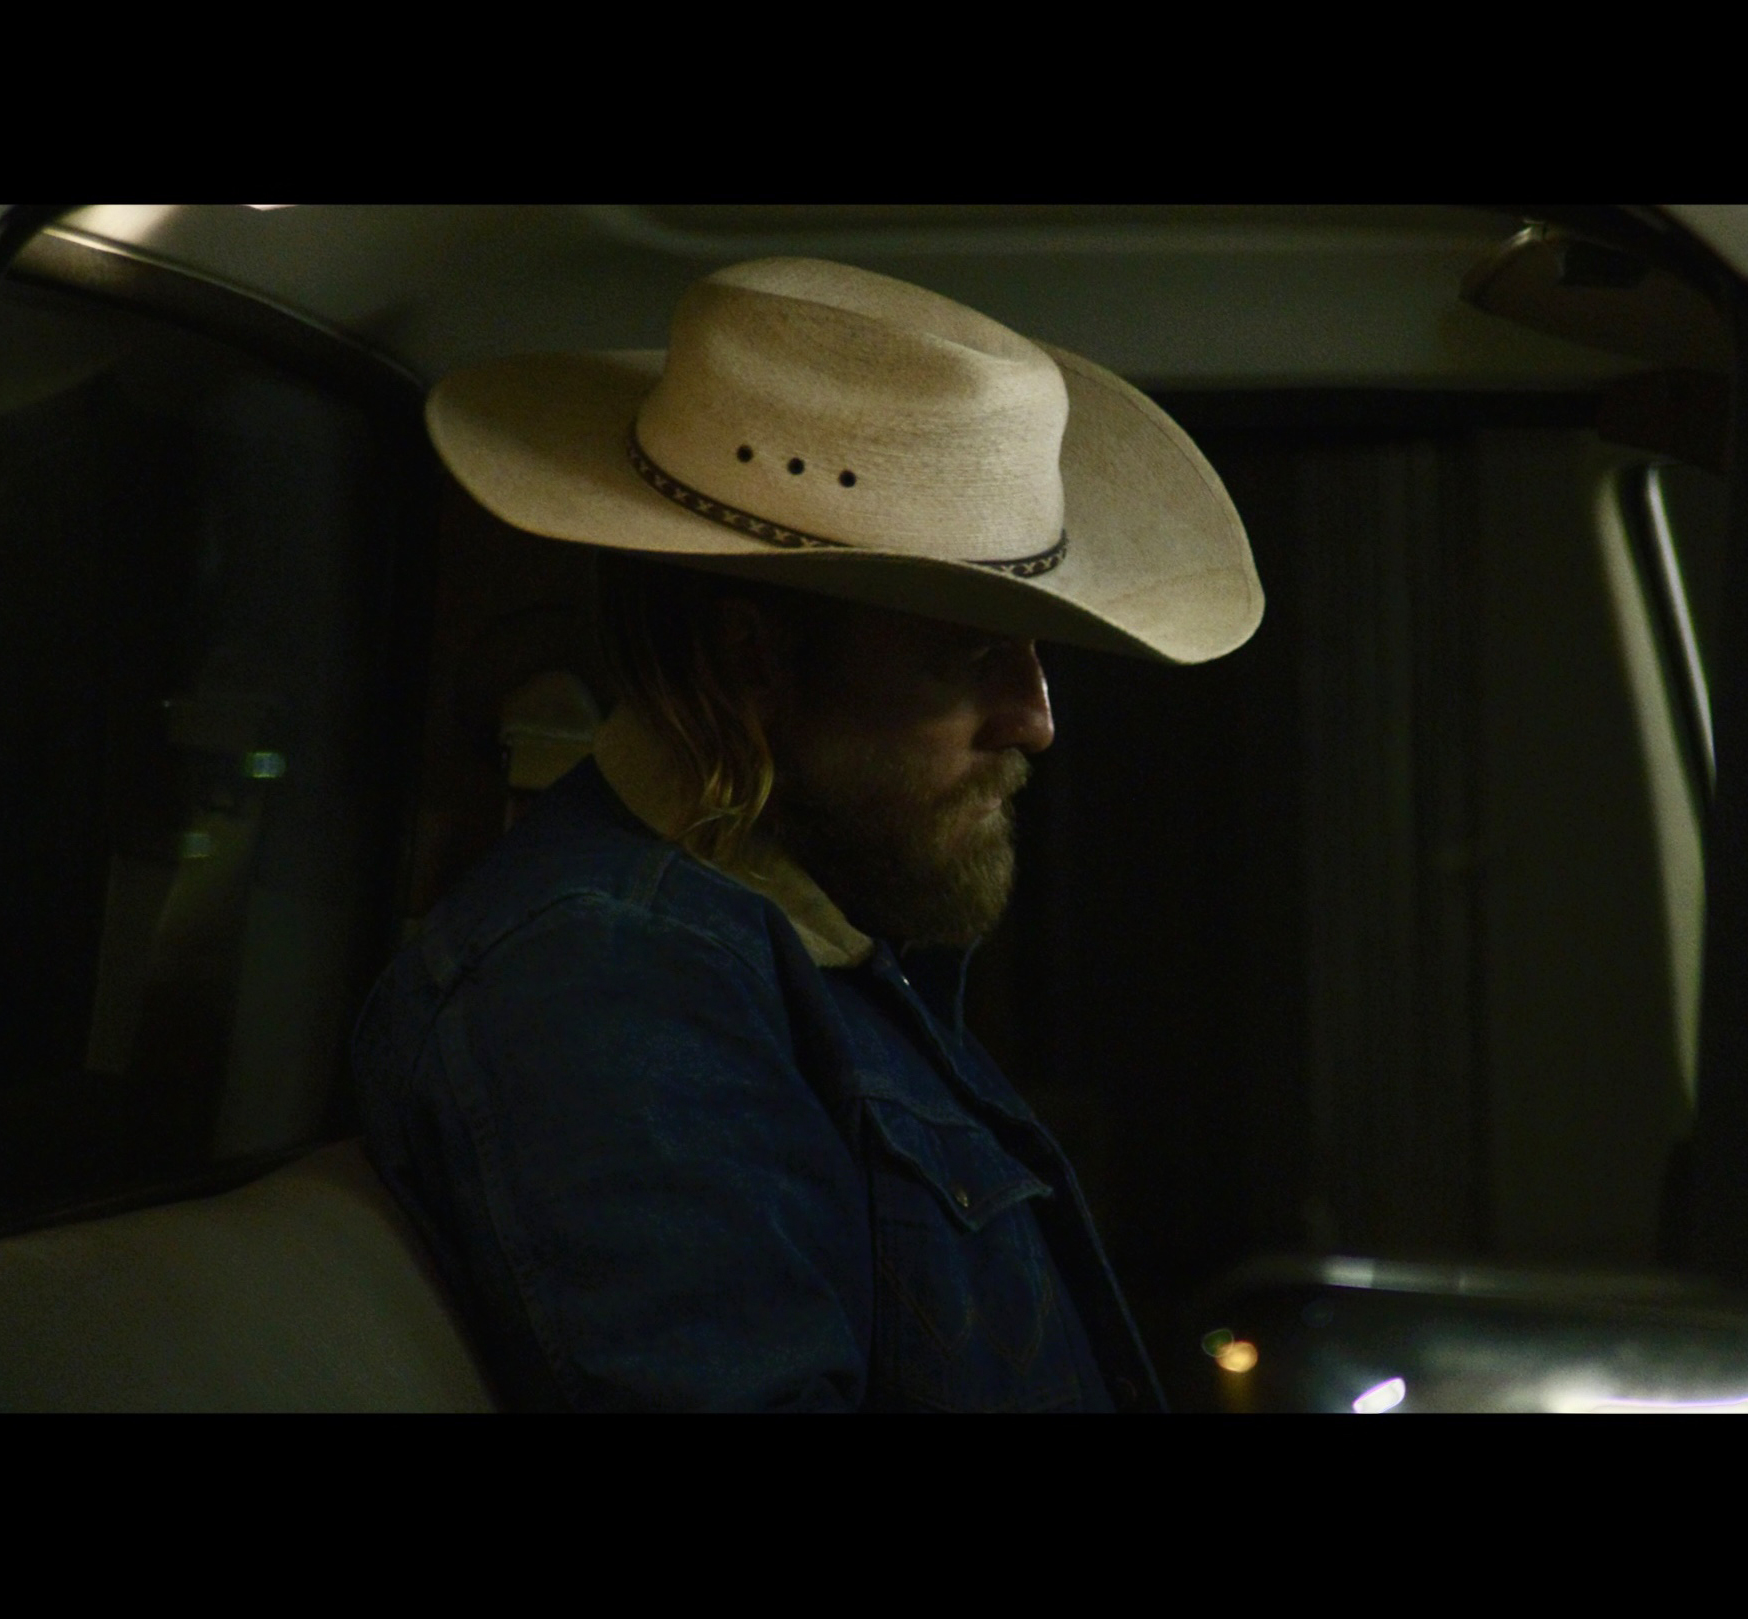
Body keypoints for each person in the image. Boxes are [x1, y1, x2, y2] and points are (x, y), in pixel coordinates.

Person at [352, 257, 1263, 1411]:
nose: (1035, 719)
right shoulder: (609, 982)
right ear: (754, 661)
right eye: (969, 654)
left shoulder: (793, 941)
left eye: (1034, 654)